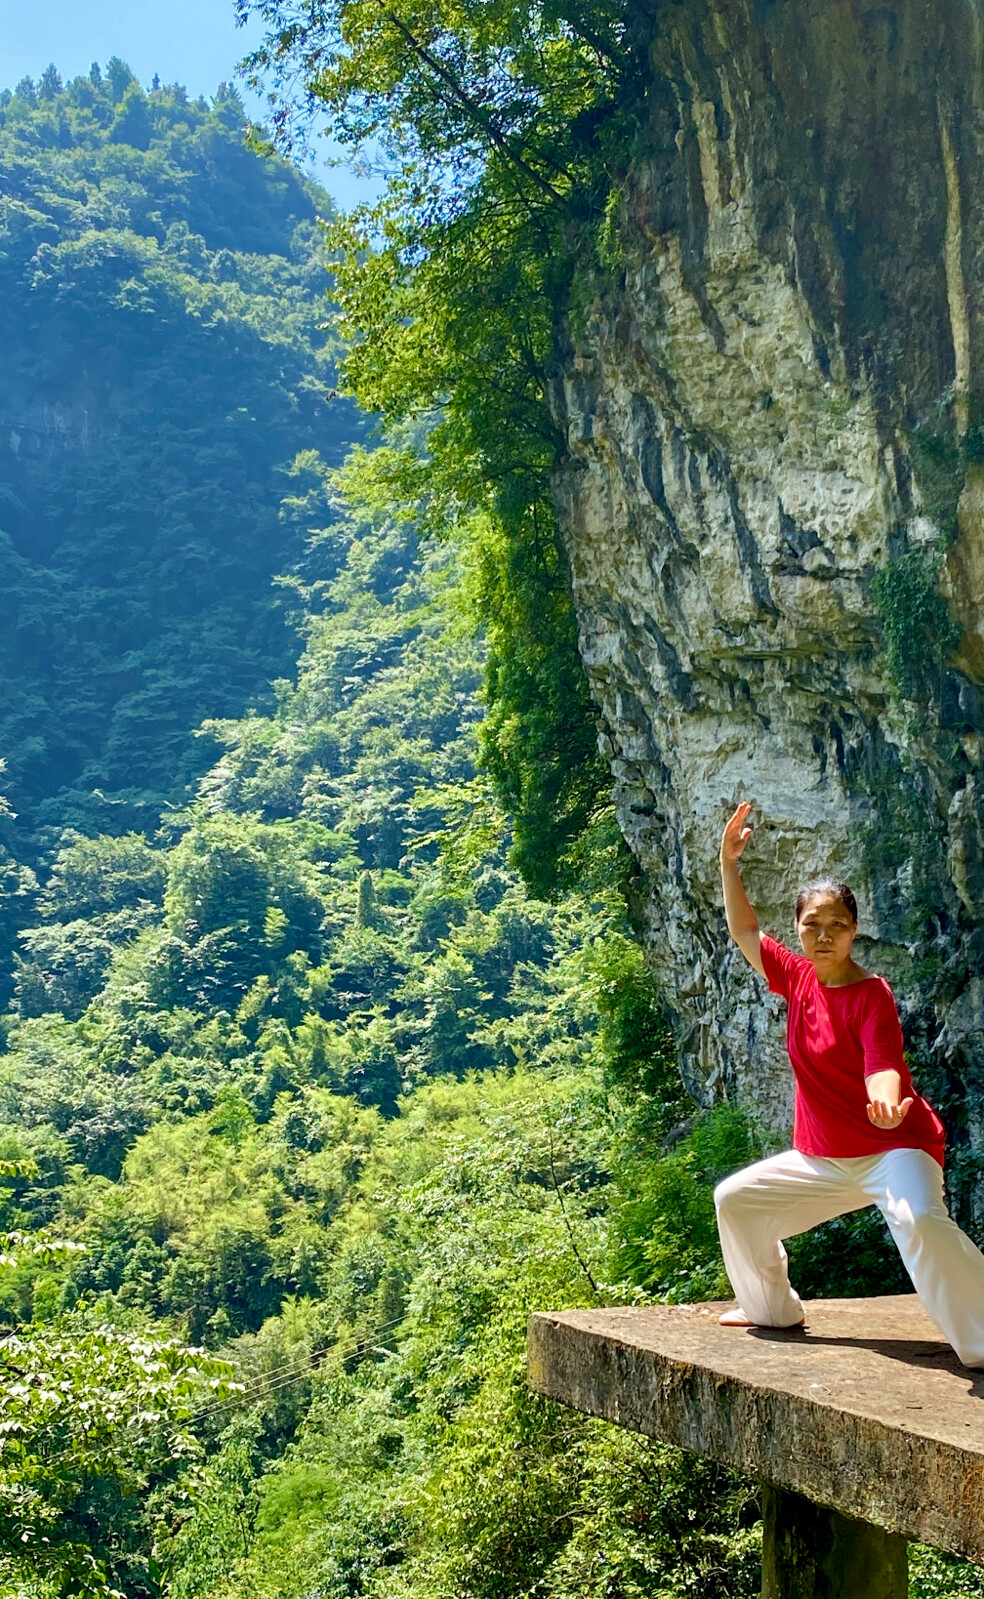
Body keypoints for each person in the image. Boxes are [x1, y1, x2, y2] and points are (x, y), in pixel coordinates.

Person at [713, 799, 984, 1368]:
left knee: (921, 1222)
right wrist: (728, 863)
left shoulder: (872, 994)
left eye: (837, 925)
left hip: (894, 1148)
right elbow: (744, 929)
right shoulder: (796, 977)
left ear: (855, 930)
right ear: (799, 931)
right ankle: (770, 1308)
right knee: (735, 1201)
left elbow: (882, 1064)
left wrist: (885, 1102)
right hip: (826, 1158)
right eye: (813, 925)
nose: (824, 936)